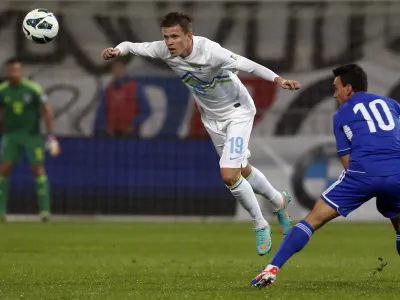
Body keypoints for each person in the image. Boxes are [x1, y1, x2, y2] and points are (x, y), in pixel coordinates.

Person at [102, 12, 301, 255]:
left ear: (189, 36)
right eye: (166, 37)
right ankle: (279, 202)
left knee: (229, 175)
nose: (170, 42)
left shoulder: (211, 51)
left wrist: (278, 79)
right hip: (211, 118)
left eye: (175, 36)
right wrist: (117, 51)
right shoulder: (164, 50)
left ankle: (260, 224)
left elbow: (248, 65)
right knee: (242, 169)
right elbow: (132, 46)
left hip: (238, 112)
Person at [251, 64, 400, 287]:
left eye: (336, 88)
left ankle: (271, 269)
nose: (334, 93)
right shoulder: (392, 105)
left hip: (363, 173)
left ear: (348, 88)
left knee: (312, 220)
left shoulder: (342, 114)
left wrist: (366, 180)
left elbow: (346, 161)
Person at [0, 57, 60, 222]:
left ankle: (45, 211)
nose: (14, 74)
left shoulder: (32, 89)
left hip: (31, 136)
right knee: (4, 169)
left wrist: (51, 135)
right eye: (11, 70)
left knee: (37, 169)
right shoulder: (3, 90)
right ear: (7, 72)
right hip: (11, 135)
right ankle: (1, 211)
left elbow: (46, 110)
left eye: (17, 70)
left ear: (22, 71)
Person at [93, 59, 151, 138]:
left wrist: (134, 124)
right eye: (115, 69)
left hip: (131, 134)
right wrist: (104, 126)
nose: (117, 71)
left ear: (124, 69)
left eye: (120, 68)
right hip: (111, 134)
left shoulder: (135, 87)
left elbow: (146, 109)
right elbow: (102, 111)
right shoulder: (109, 90)